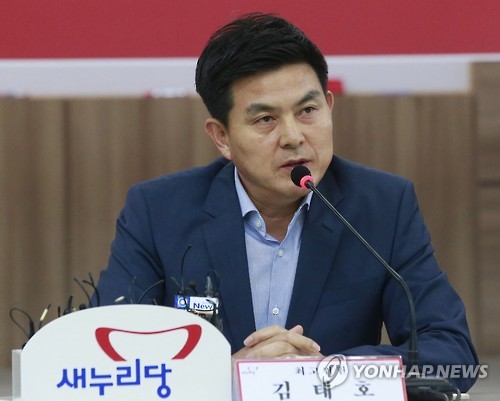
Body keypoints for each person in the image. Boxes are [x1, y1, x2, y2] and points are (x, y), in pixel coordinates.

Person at [94, 12, 478, 391]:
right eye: (265, 119)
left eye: (307, 111)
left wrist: (324, 372)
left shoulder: (382, 207)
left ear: (329, 106)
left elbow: (452, 355)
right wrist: (226, 374)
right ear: (222, 137)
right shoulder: (158, 212)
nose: (293, 137)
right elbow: (99, 357)